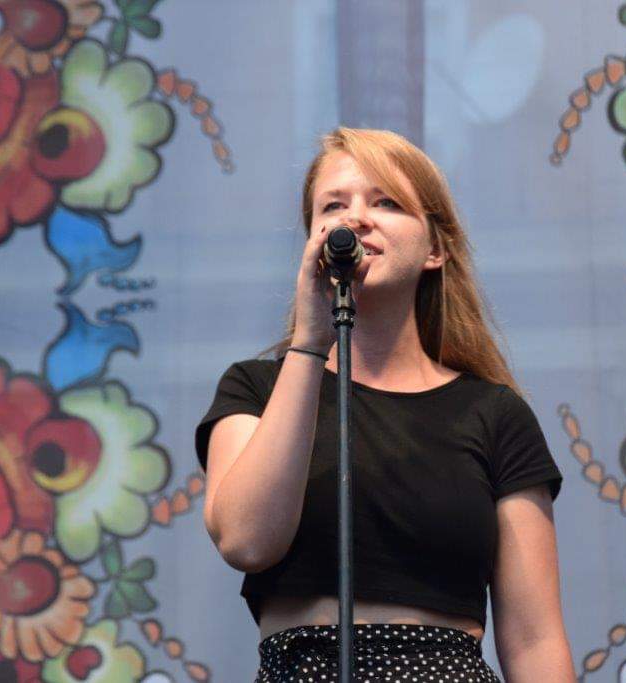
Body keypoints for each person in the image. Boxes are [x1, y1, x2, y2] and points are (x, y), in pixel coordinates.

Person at [195, 128, 575, 681]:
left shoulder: (494, 414)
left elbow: (535, 641)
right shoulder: (256, 389)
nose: (356, 218)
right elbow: (246, 541)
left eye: (386, 203)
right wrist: (310, 343)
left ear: (435, 249)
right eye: (334, 206)